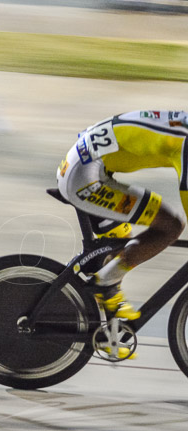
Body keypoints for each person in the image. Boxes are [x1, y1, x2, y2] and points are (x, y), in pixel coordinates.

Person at [56, 111, 188, 333]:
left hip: (85, 165)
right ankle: (103, 284)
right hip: (85, 177)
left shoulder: (182, 124)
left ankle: (106, 330)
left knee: (120, 247)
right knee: (171, 226)